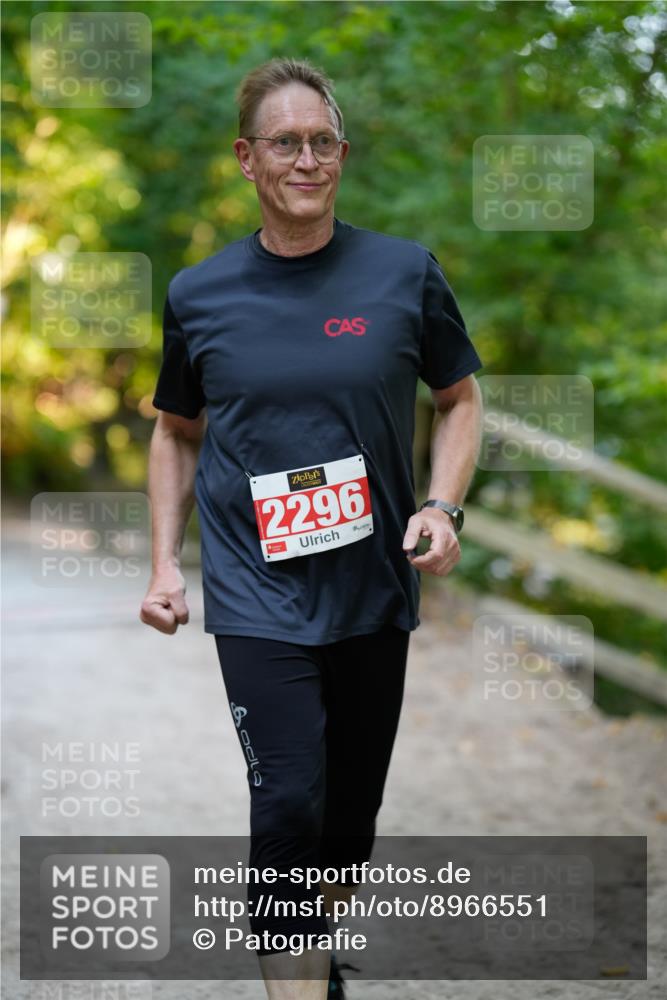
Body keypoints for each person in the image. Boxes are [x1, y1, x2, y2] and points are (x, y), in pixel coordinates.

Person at [140, 57, 483, 1000]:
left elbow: (458, 401)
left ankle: (316, 961)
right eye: (285, 143)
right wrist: (167, 565)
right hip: (256, 594)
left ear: (343, 153)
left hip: (371, 589)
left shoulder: (403, 273)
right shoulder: (198, 293)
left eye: (322, 141)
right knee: (287, 801)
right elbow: (174, 432)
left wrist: (439, 507)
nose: (306, 159)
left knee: (346, 825)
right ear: (246, 159)